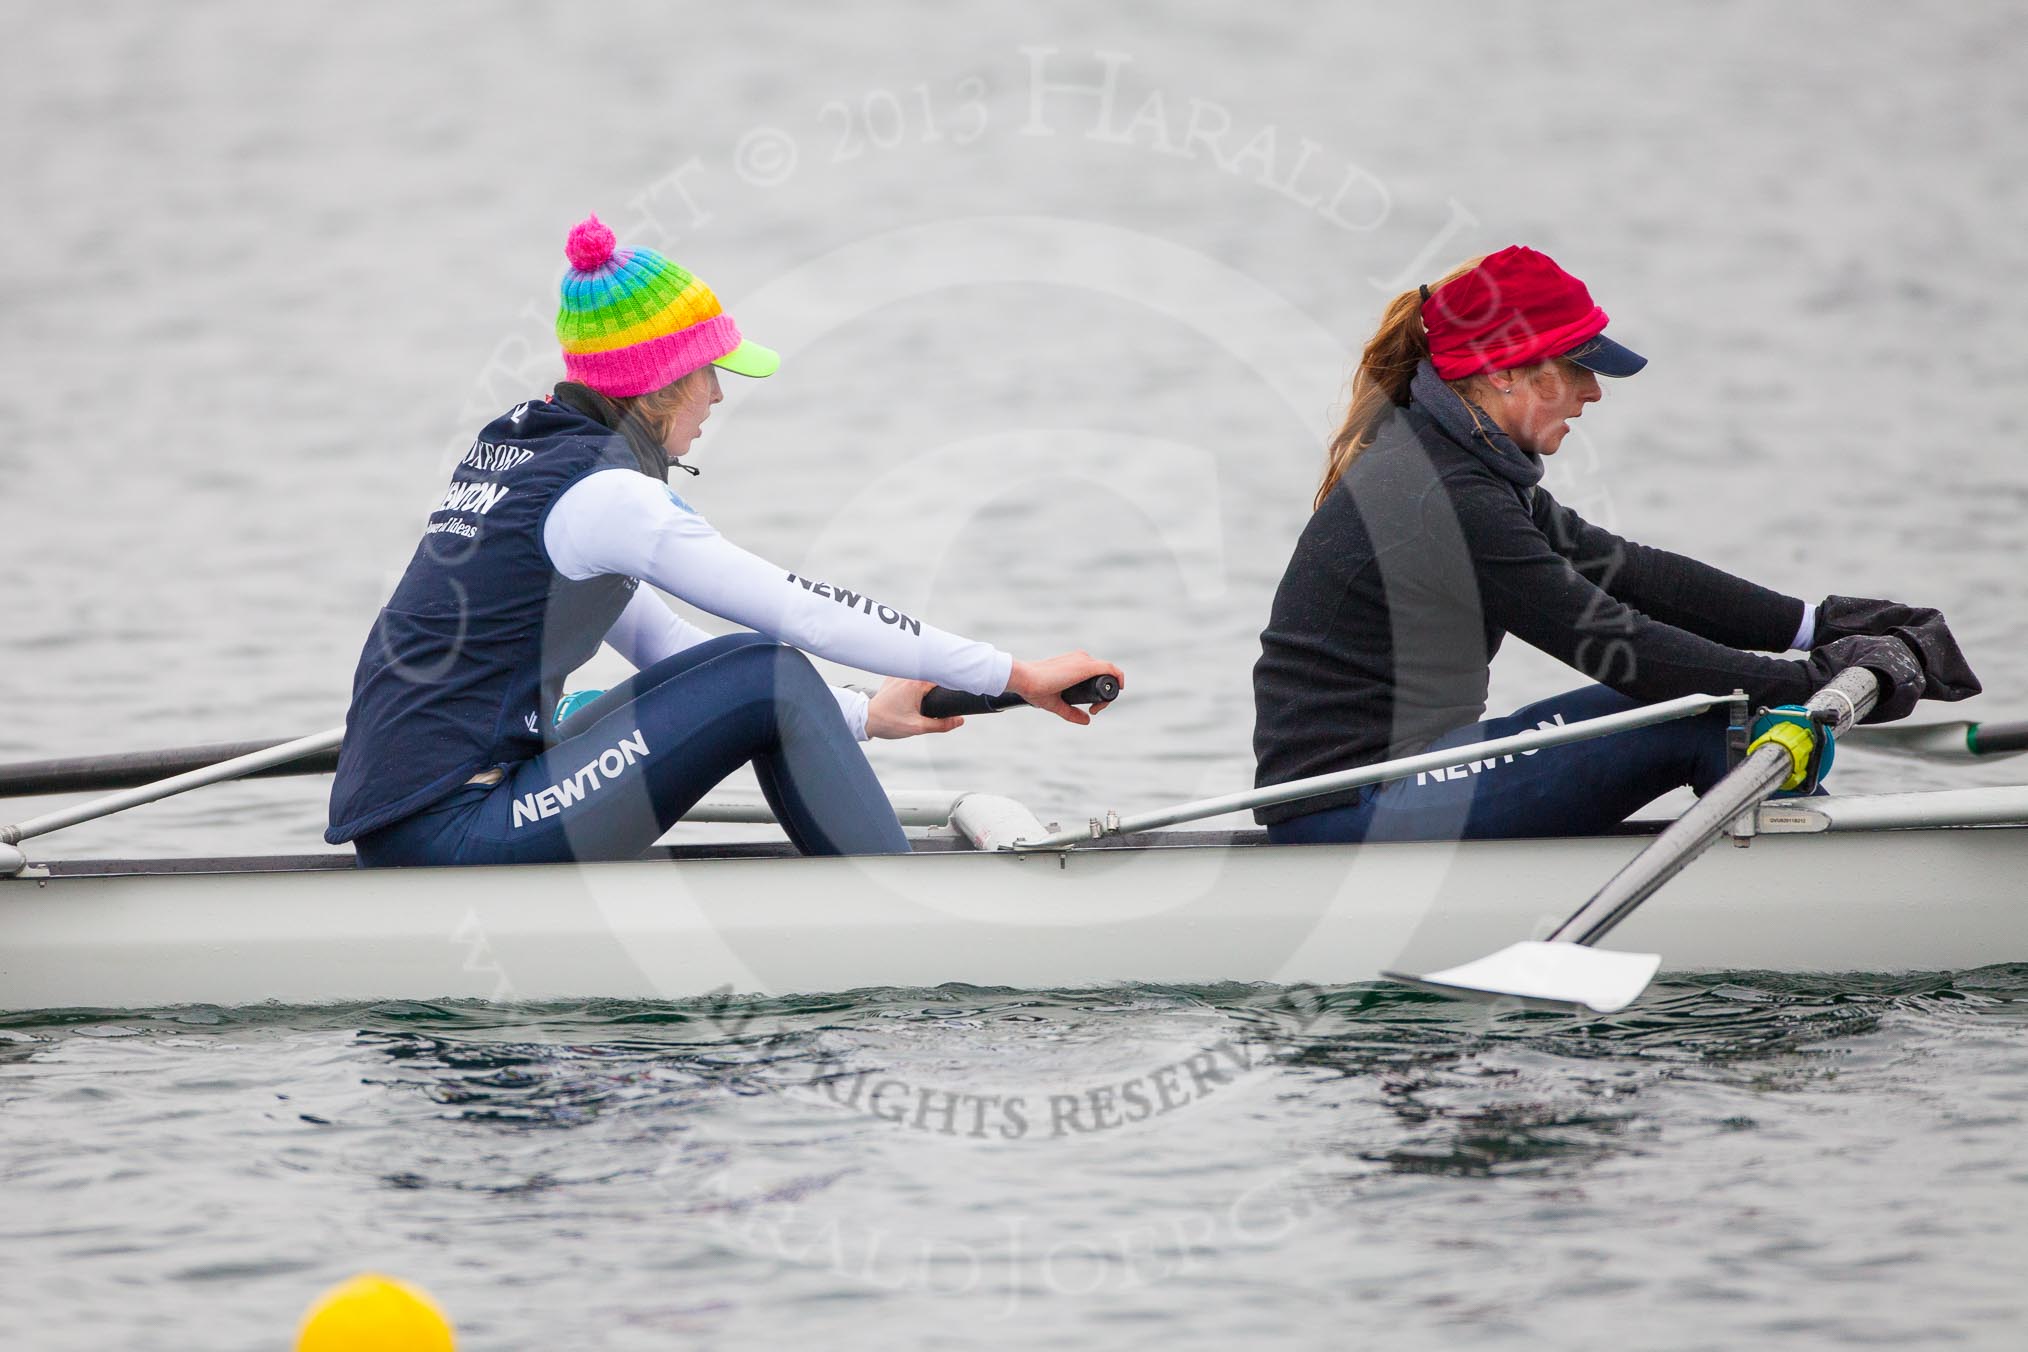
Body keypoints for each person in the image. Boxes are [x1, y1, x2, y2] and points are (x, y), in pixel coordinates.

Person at [327, 215, 1122, 865]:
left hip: (434, 808)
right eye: (710, 371)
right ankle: (900, 922)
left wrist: (860, 716)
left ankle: (863, 889)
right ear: (659, 383)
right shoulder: (604, 495)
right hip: (450, 831)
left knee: (751, 673)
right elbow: (796, 611)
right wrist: (1014, 673)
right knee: (769, 675)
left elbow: (662, 646)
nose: (715, 394)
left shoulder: (536, 456)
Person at [1252, 244, 1977, 844]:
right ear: (1503, 369)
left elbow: (1629, 574)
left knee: (1711, 704)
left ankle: (1780, 857)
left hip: (1404, 782)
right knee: (1706, 715)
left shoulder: (1460, 467)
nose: (1592, 392)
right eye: (1576, 368)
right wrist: (1809, 685)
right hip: (1348, 809)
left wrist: (1823, 624)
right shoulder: (1436, 494)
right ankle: (1805, 895)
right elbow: (1606, 639)